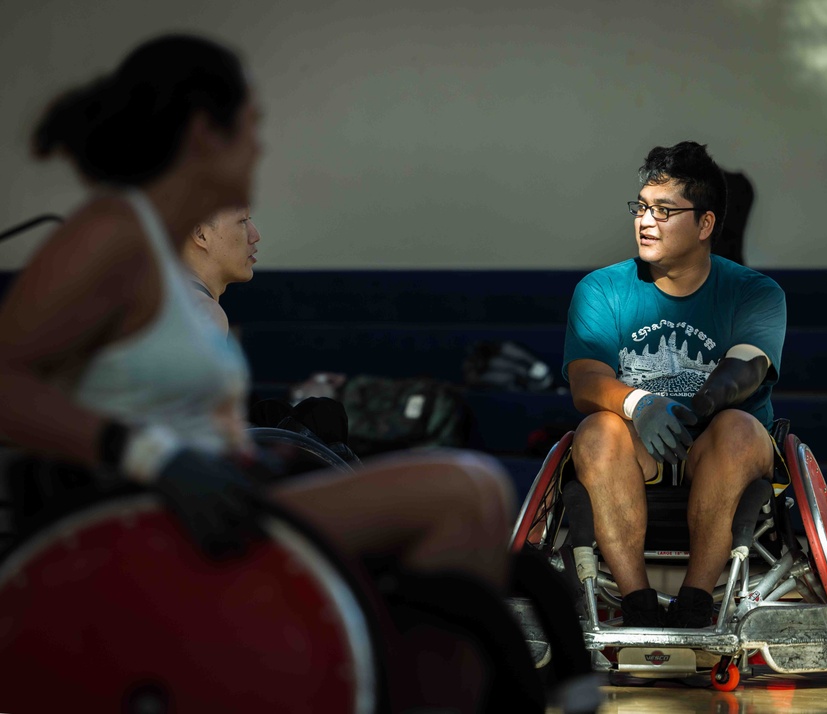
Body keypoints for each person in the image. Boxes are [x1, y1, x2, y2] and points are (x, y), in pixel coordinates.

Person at [0, 34, 590, 711]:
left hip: (227, 498)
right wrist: (148, 457)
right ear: (204, 133)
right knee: (465, 490)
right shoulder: (111, 232)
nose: (260, 146)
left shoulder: (163, 258)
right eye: (252, 126)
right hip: (158, 518)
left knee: (479, 506)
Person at [563, 141, 786, 629]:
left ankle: (696, 600)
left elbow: (747, 363)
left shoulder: (756, 292)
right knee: (598, 430)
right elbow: (585, 379)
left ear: (705, 224)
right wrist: (640, 403)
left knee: (739, 428)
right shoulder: (600, 290)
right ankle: (637, 599)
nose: (645, 221)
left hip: (717, 447)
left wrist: (701, 403)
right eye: (641, 207)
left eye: (664, 211)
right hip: (635, 452)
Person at [181, 205, 260, 335]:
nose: (255, 236)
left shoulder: (165, 302)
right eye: (243, 221)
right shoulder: (205, 311)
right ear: (201, 235)